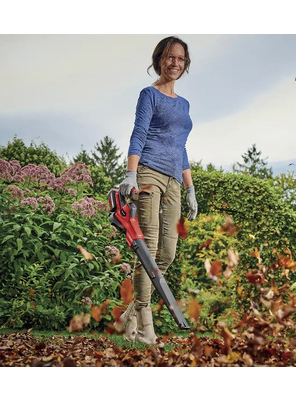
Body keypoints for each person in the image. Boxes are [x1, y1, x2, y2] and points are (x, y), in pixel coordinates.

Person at [114, 36, 198, 346]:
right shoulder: (149, 95)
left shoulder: (184, 104)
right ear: (159, 59)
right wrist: (131, 173)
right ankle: (146, 327)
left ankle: (129, 316)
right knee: (146, 248)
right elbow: (139, 133)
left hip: (175, 179)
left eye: (181, 59)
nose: (175, 63)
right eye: (170, 57)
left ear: (184, 64)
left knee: (168, 253)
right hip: (148, 171)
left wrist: (190, 189)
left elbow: (181, 147)